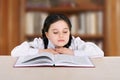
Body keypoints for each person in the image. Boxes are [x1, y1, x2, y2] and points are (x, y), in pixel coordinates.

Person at [11, 14, 104, 58]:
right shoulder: (40, 43)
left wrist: (72, 52)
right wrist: (42, 51)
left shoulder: (75, 42)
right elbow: (15, 52)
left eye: (65, 32)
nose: (61, 36)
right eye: (55, 32)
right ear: (47, 34)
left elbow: (99, 53)